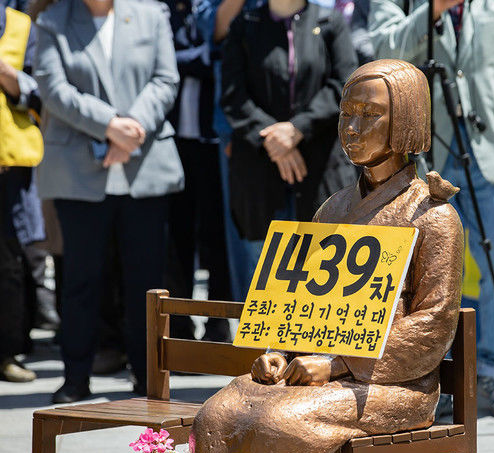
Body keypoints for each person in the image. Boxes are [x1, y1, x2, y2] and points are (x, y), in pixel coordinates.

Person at [191, 59, 463, 453]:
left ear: (406, 120)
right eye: (346, 114)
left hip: (394, 383)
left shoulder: (433, 215)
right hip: (313, 366)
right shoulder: (333, 207)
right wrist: (278, 352)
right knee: (216, 414)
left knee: (281, 423)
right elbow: (303, 298)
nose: (352, 128)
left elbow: (434, 322)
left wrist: (337, 364)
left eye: (370, 115)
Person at [369, 0, 494, 417]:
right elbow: (383, 50)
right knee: (426, 276)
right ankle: (435, 379)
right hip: (425, 156)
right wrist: (431, 11)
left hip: (491, 149)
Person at [33, 0, 183, 403]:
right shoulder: (51, 21)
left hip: (145, 166)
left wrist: (130, 132)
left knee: (147, 284)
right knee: (80, 281)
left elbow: (165, 79)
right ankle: (75, 378)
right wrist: (109, 127)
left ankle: (148, 380)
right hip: (78, 173)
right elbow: (53, 88)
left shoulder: (152, 14)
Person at [219, 0, 357, 251]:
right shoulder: (244, 25)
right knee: (262, 280)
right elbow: (232, 95)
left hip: (321, 172)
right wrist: (274, 140)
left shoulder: (331, 22)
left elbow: (345, 87)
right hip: (259, 176)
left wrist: (297, 130)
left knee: (319, 275)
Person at [162, 0, 233, 342]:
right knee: (176, 237)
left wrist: (196, 58)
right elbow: (165, 62)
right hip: (174, 142)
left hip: (212, 141)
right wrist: (201, 57)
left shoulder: (213, 9)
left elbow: (222, 54)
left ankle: (217, 324)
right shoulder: (165, 12)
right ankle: (178, 325)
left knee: (216, 235)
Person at [0, 0, 43, 382]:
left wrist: (5, 74)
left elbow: (40, 92)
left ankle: (7, 351)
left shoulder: (20, 25)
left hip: (9, 164)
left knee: (11, 260)